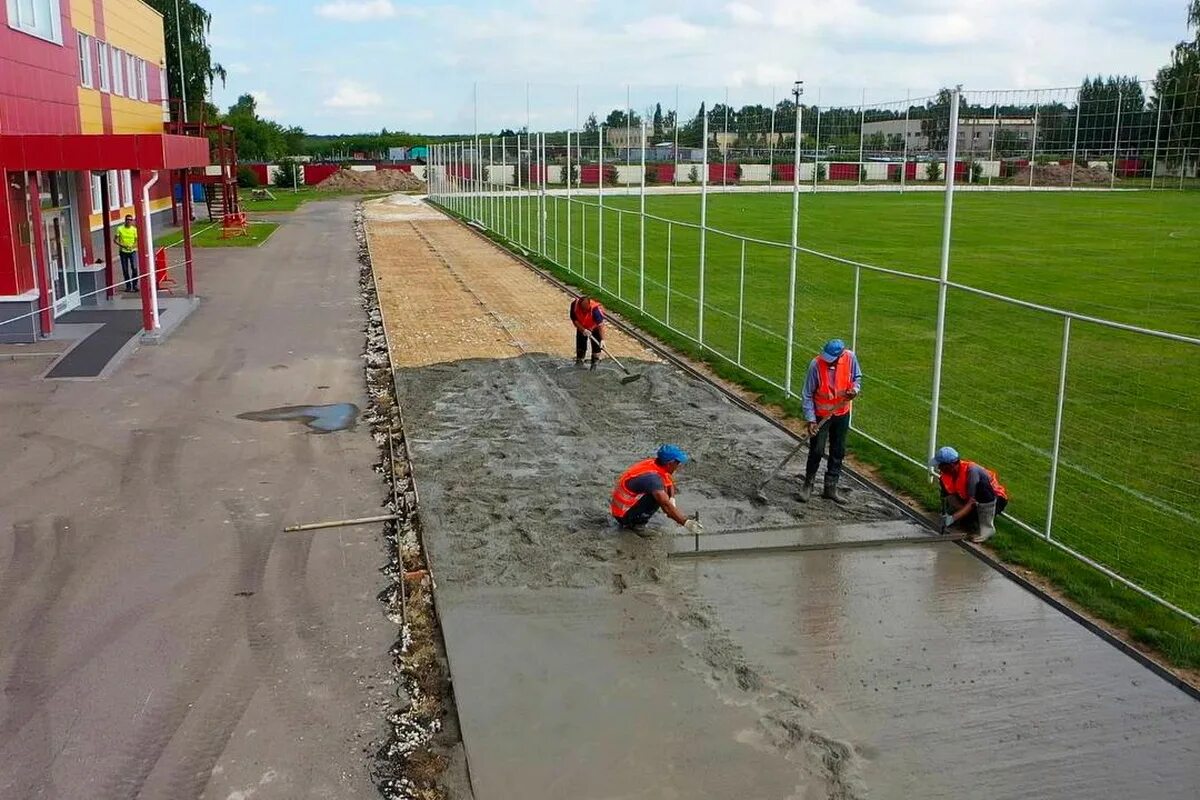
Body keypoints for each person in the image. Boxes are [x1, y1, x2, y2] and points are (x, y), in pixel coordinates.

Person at [798, 338, 862, 505]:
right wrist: (811, 420)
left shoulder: (850, 358)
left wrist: (854, 390)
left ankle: (830, 487)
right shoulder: (815, 365)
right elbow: (807, 394)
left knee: (838, 451)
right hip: (821, 416)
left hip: (841, 413)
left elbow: (857, 377)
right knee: (817, 450)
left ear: (840, 355)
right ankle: (808, 484)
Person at [611, 445, 704, 535]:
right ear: (670, 463)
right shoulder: (653, 479)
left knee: (662, 493)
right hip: (622, 514)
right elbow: (666, 506)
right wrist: (685, 522)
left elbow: (669, 482)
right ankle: (636, 525)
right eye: (677, 462)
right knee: (657, 497)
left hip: (624, 505)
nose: (678, 465)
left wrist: (672, 498)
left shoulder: (656, 464)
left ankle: (636, 518)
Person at [931, 446, 1009, 543]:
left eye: (940, 465)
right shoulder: (945, 476)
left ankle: (987, 528)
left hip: (993, 499)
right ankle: (971, 517)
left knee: (982, 487)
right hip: (970, 500)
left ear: (950, 465)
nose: (938, 467)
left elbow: (971, 502)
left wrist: (954, 518)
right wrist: (948, 515)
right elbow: (948, 496)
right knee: (965, 523)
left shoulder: (972, 472)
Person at [570, 292, 606, 369]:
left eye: (586, 309)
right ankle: (579, 361)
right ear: (580, 305)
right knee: (581, 343)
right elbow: (575, 320)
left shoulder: (595, 309)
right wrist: (583, 330)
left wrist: (602, 339)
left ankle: (594, 364)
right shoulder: (575, 305)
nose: (585, 311)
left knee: (596, 346)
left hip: (594, 327)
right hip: (581, 325)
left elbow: (600, 325)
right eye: (583, 309)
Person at [114, 214, 139, 293]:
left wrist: (133, 245)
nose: (129, 221)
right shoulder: (120, 229)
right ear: (125, 220)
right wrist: (122, 245)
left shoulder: (134, 230)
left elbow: (136, 240)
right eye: (127, 219)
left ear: (132, 221)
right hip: (123, 252)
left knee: (134, 269)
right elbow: (115, 240)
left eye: (130, 220)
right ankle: (128, 286)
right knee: (125, 269)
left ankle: (134, 285)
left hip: (132, 251)